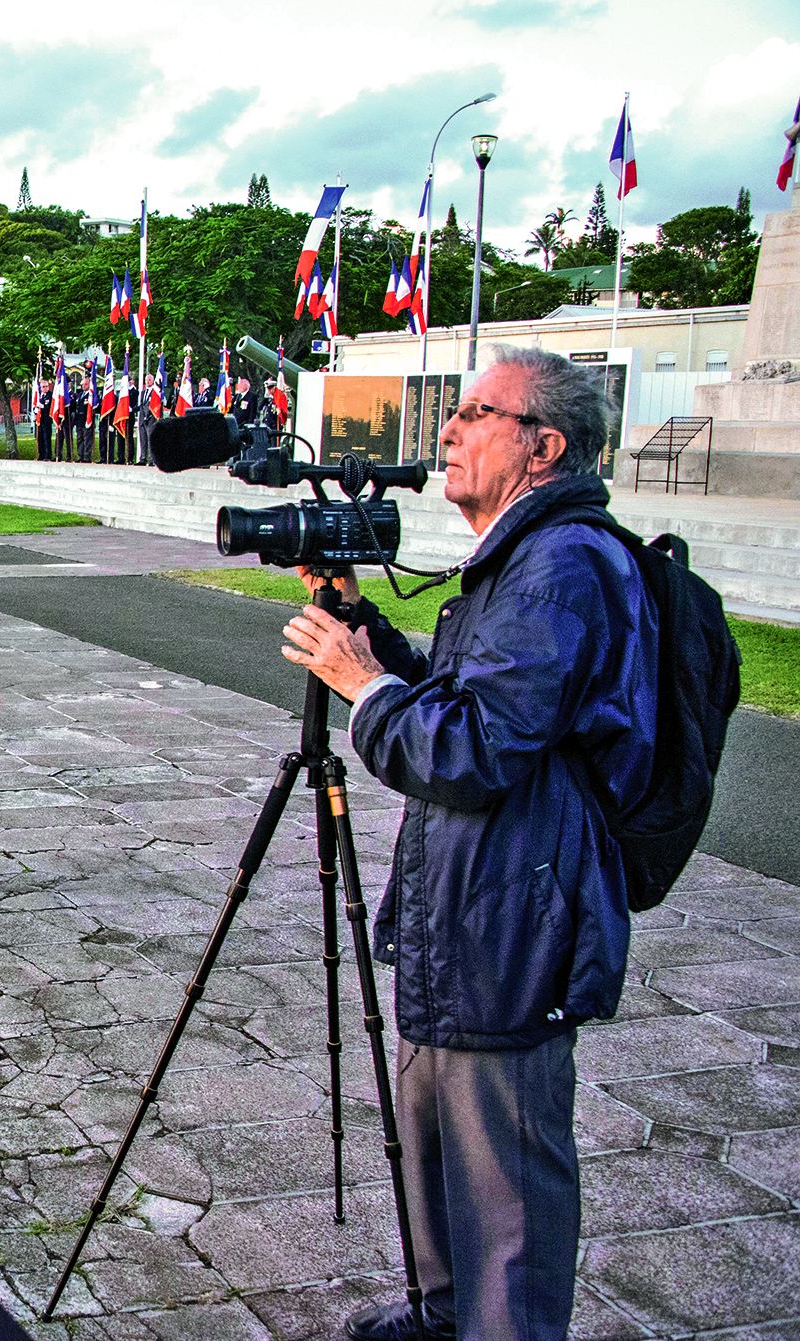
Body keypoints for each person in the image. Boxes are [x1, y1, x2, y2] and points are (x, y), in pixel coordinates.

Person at [279, 347, 656, 1341]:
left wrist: (360, 686)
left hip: (515, 914)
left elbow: (474, 750)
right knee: (436, 1134)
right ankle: (445, 1311)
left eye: (478, 412)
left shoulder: (560, 569)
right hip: (468, 904)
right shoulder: (519, 561)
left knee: (504, 1172)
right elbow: (464, 699)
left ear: (544, 446)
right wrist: (366, 632)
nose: (447, 430)